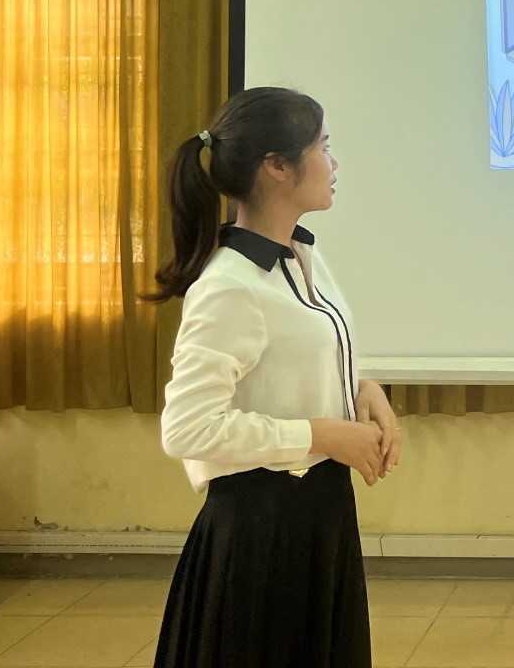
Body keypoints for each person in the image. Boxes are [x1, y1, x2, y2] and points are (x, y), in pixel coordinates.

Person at [146, 87, 401, 668]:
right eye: (323, 148)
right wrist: (323, 435)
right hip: (261, 534)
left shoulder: (303, 256)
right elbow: (187, 429)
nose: (334, 164)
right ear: (277, 167)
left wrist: (364, 391)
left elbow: (302, 356)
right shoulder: (229, 285)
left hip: (320, 517)